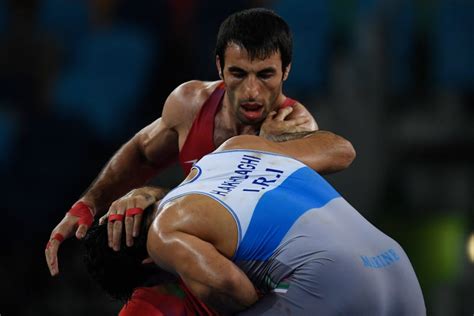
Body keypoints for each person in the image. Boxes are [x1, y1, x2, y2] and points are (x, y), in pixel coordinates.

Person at [46, 7, 355, 274]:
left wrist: (155, 196)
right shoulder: (190, 103)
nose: (251, 92)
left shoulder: (295, 126)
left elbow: (224, 213)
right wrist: (88, 203)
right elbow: (142, 152)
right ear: (219, 66)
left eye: (265, 75)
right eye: (238, 73)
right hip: (194, 266)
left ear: (286, 71)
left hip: (255, 277)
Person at [84, 131, 426, 315]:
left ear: (150, 263)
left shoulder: (163, 236)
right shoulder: (234, 148)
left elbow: (237, 292)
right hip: (398, 266)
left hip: (331, 283)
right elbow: (341, 150)